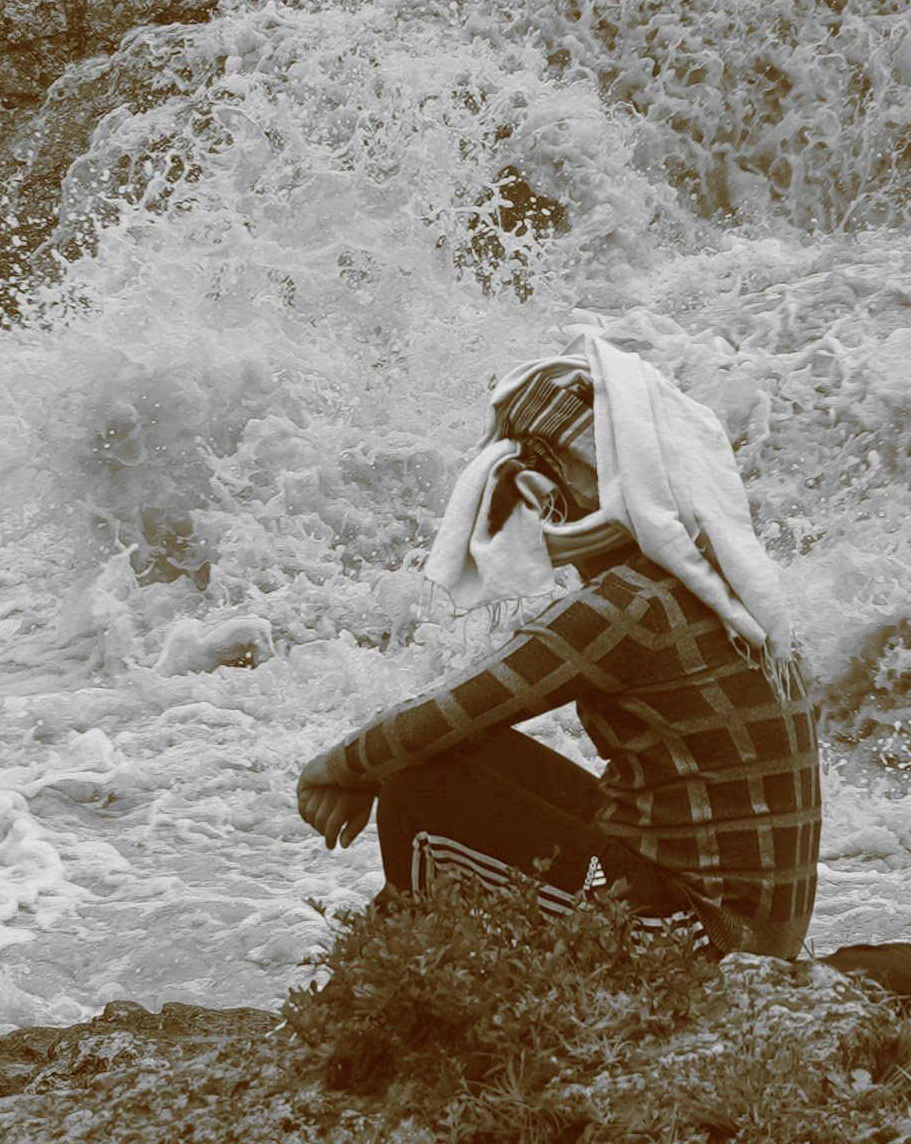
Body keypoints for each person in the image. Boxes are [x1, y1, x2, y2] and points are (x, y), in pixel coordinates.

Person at [293, 335, 836, 966]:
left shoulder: (628, 604)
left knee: (420, 785)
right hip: (747, 927)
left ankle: (401, 998)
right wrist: (364, 766)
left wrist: (330, 770)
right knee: (447, 754)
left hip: (699, 942)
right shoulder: (718, 585)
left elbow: (447, 712)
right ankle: (402, 978)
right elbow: (459, 721)